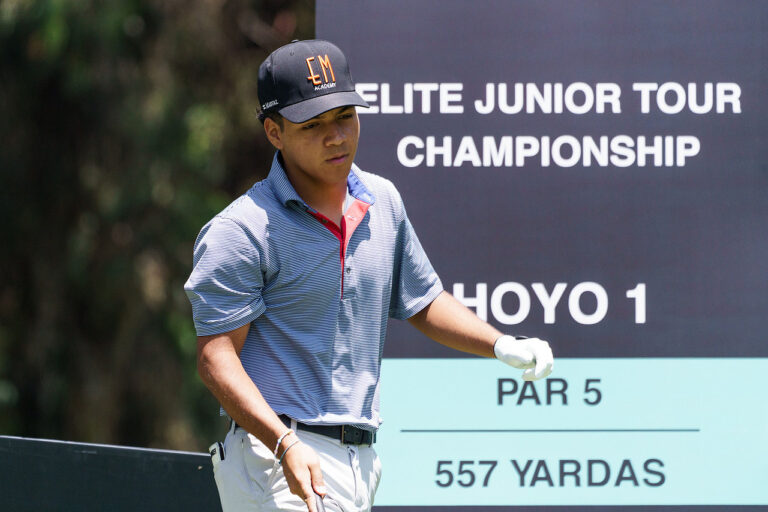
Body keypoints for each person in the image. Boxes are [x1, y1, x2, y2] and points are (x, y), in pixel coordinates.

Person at [184, 39, 554, 512]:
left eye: (344, 116)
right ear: (274, 132)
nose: (335, 136)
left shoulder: (382, 200)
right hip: (275, 457)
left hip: (359, 460)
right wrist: (283, 443)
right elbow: (215, 359)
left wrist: (500, 344)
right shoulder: (242, 229)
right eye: (313, 125)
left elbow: (422, 300)